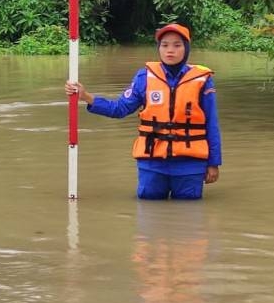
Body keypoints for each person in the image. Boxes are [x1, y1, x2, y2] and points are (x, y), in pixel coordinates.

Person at [65, 23, 222, 200]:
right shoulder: (144, 78)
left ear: (186, 48)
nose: (170, 50)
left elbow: (212, 124)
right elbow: (119, 109)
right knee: (149, 211)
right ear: (158, 48)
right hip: (152, 163)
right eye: (165, 45)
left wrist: (214, 163)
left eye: (177, 45)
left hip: (190, 164)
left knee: (189, 213)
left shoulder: (202, 80)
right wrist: (86, 96)